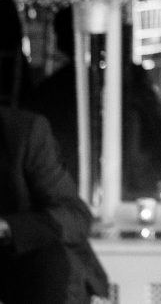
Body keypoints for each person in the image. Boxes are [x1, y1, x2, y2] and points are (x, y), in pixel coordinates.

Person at [0, 106, 110, 303]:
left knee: (50, 260)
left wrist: (8, 227)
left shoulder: (24, 131)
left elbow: (76, 216)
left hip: (36, 273)